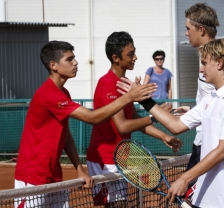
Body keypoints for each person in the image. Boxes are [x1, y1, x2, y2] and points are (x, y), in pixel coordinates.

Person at [14, 40, 158, 208]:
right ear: (53, 65)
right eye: (69, 59)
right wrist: (129, 97)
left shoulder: (63, 92)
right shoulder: (48, 94)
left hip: (53, 175)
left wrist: (79, 168)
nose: (75, 63)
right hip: (32, 177)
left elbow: (65, 135)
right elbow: (93, 118)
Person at [119, 39, 224, 208]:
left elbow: (223, 150)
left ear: (219, 63)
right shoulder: (211, 98)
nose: (201, 69)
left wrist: (185, 178)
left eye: (204, 63)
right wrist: (143, 100)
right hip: (204, 196)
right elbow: (176, 125)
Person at [86, 32, 182, 207]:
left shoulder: (125, 83)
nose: (135, 57)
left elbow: (135, 119)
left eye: (134, 52)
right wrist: (155, 117)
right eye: (130, 54)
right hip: (105, 162)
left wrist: (164, 136)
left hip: (120, 158)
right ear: (116, 58)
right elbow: (123, 126)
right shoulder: (107, 83)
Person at [173, 3, 220, 194]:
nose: (186, 33)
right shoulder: (213, 54)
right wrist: (195, 108)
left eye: (187, 28)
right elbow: (215, 98)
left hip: (208, 146)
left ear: (200, 30)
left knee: (189, 198)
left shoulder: (213, 58)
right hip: (206, 142)